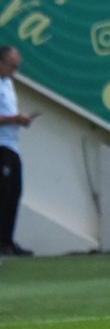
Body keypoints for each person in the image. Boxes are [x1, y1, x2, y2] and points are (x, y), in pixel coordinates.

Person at [0, 45, 37, 256]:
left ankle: (7, 240)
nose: (14, 71)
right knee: (3, 194)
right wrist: (15, 119)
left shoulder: (9, 83)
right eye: (12, 66)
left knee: (14, 193)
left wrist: (21, 120)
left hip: (13, 145)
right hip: (1, 146)